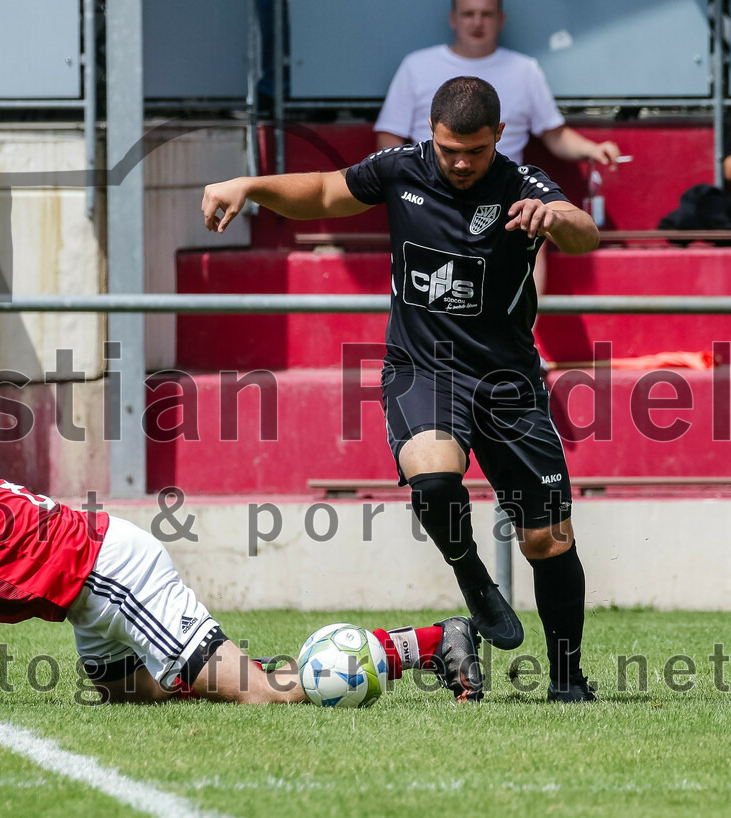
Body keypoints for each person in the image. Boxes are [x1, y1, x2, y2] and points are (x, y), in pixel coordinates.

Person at [202, 77, 599, 702]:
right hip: (423, 369)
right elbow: (327, 192)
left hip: (509, 381)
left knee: (548, 538)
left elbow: (584, 231)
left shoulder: (524, 186)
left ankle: (569, 680)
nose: (461, 162)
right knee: (434, 477)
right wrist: (249, 187)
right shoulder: (400, 168)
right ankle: (472, 578)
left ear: (499, 135)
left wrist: (554, 219)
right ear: (431, 136)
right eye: (448, 150)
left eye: (474, 149)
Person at [0, 437, 485, 705]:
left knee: (264, 697)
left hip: (108, 575)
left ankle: (431, 642)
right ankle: (216, 667)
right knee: (131, 695)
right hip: (86, 597)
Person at [374, 0, 620, 167]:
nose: (477, 22)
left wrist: (594, 150)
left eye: (487, 14)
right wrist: (410, 180)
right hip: (433, 194)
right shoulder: (416, 66)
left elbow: (554, 135)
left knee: (535, 235)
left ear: (500, 20)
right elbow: (390, 134)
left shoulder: (525, 70)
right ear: (453, 19)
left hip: (506, 200)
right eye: (469, 14)